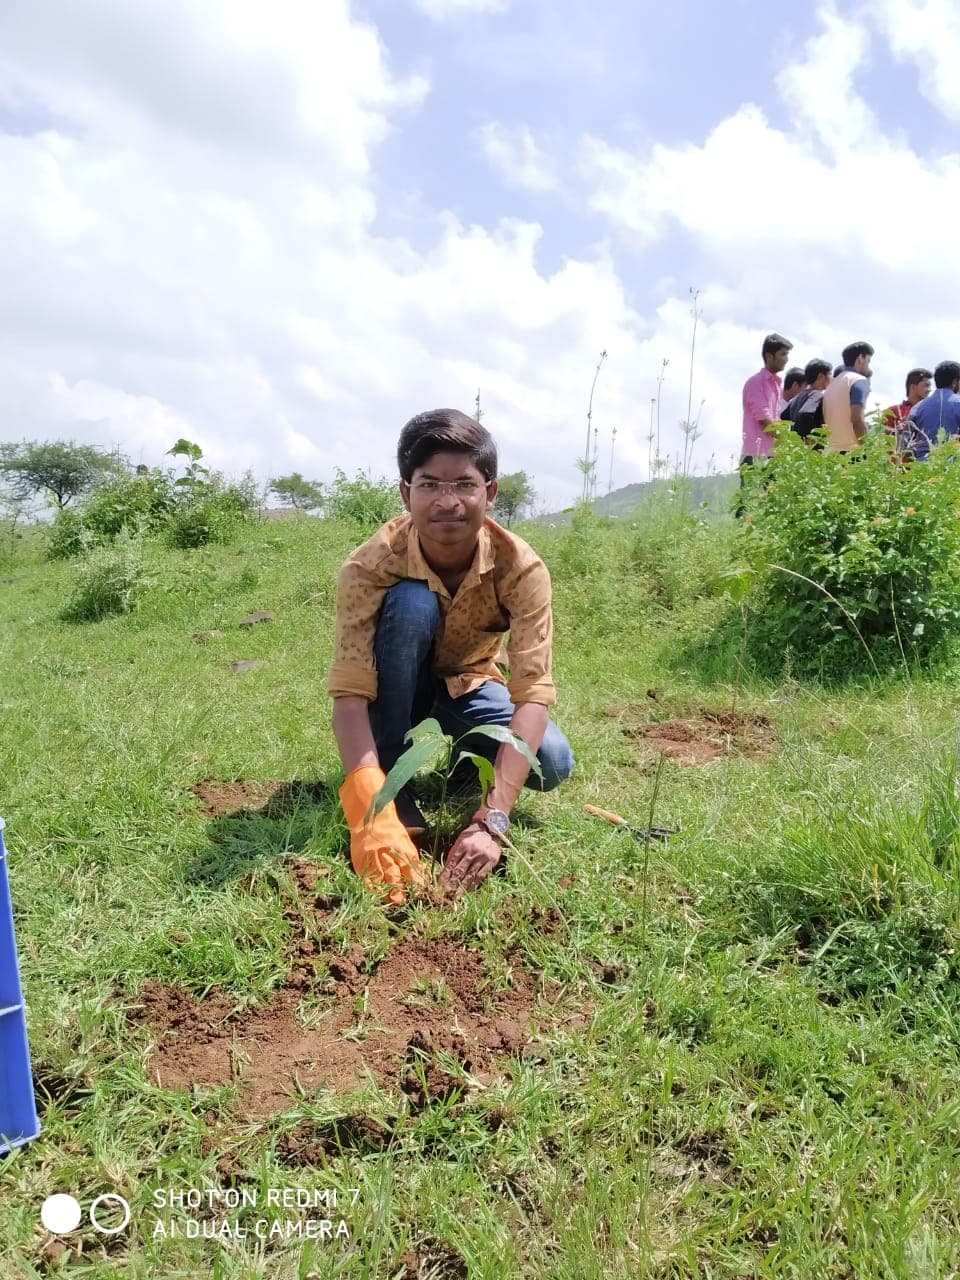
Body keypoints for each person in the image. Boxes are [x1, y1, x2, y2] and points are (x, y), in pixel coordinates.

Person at [328, 408, 574, 902]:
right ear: (405, 493)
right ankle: (392, 782)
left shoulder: (522, 570)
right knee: (412, 602)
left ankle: (466, 769)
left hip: (470, 682)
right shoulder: (369, 565)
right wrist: (367, 804)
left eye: (463, 484)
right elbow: (351, 693)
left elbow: (531, 696)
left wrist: (495, 817)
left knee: (552, 760)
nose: (448, 502)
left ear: (490, 492)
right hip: (396, 688)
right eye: (429, 485)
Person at [737, 333, 792, 515]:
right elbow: (766, 422)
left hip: (771, 454)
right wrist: (791, 443)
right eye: (783, 354)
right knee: (749, 509)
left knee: (771, 508)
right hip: (756, 455)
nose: (786, 359)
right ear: (769, 356)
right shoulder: (756, 383)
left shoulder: (775, 385)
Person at [898, 361, 960, 461]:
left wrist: (917, 460)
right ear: (954, 382)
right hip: (953, 468)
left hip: (924, 468)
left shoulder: (918, 407)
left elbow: (903, 445)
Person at [821, 341, 874, 453]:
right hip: (850, 453)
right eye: (868, 361)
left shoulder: (831, 385)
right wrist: (868, 449)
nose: (868, 366)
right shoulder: (859, 380)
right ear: (860, 358)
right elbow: (856, 419)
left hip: (830, 452)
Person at [781, 358, 832, 440]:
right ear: (821, 376)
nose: (831, 378)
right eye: (830, 374)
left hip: (796, 447)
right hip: (811, 448)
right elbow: (805, 413)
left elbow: (783, 417)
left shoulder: (798, 397)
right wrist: (810, 438)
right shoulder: (817, 395)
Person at [881, 368, 932, 437]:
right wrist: (896, 432)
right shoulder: (892, 411)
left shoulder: (931, 411)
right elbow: (881, 434)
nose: (929, 390)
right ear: (913, 387)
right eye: (926, 385)